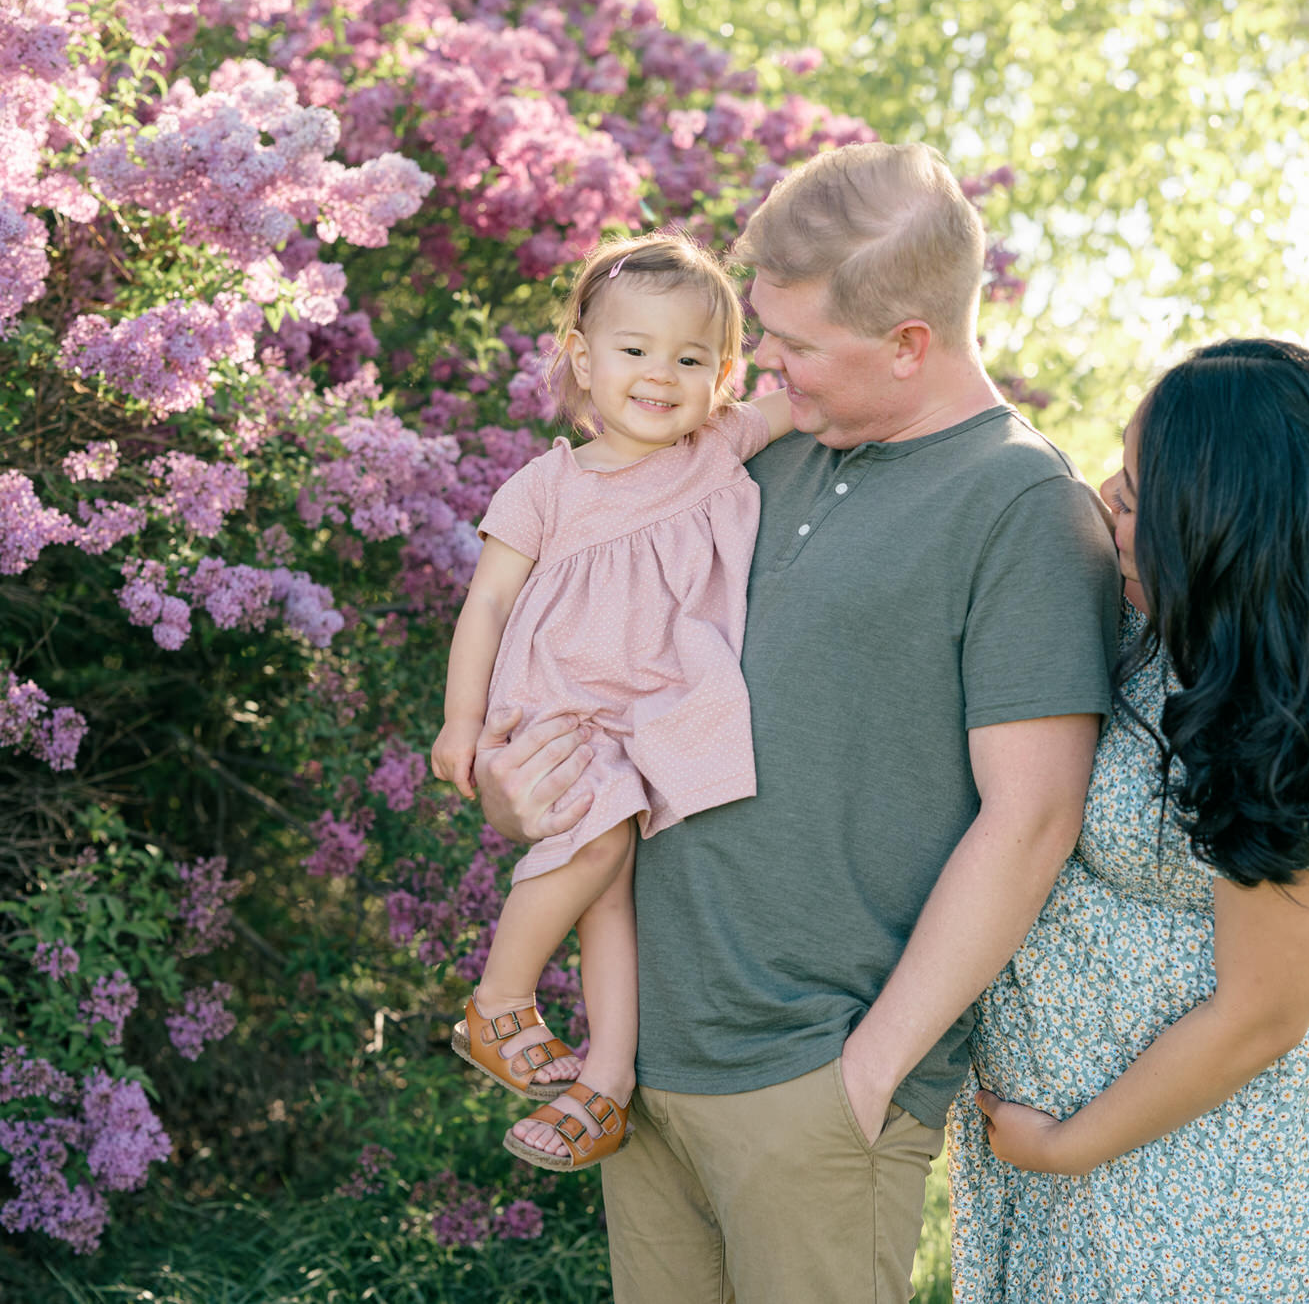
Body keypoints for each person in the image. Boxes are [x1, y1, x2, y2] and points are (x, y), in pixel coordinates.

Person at [471, 142, 1121, 1301]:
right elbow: (588, 670)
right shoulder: (752, 458)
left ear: (909, 343)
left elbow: (1032, 821)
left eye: (797, 346)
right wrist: (506, 785)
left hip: (811, 1087)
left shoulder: (1020, 506)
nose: (761, 365)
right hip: (640, 1069)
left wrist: (865, 1075)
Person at [951, 337, 1309, 1302]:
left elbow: (1261, 1013)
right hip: (1077, 1155)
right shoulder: (1152, 628)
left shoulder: (1298, 709)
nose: (1106, 492)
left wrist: (1068, 1144)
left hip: (1203, 1177)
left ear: (1223, 529)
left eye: (1140, 494)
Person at [431, 232, 795, 1172]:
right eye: (635, 350)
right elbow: (489, 603)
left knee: (612, 890)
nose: (661, 374)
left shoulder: (719, 447)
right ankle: (499, 1001)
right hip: (562, 708)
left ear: (722, 374)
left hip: (649, 720)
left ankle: (610, 1080)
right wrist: (461, 721)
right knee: (595, 846)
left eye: (690, 358)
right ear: (583, 362)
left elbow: (810, 395)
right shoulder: (547, 485)